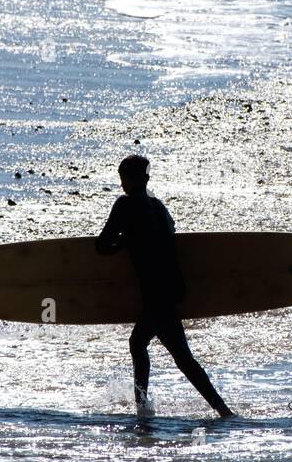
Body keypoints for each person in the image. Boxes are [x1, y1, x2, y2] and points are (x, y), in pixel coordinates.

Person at [95, 155, 235, 418]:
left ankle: (223, 411)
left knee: (182, 358)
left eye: (124, 178)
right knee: (138, 343)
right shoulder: (158, 207)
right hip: (171, 287)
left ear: (131, 179)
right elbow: (169, 234)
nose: (123, 184)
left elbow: (102, 246)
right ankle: (142, 407)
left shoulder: (125, 205)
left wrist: (125, 243)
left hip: (156, 293)